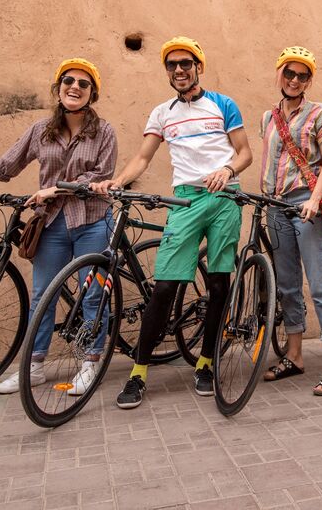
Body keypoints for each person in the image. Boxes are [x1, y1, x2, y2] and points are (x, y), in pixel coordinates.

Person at [91, 37, 252, 408]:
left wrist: (227, 169)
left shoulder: (223, 104)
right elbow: (143, 157)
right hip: (185, 200)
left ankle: (207, 364)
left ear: (199, 67)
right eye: (172, 65)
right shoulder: (162, 113)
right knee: (164, 286)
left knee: (217, 283)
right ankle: (138, 372)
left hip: (225, 198)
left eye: (186, 63)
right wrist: (118, 181)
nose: (179, 70)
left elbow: (244, 153)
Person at [0, 58, 117, 395]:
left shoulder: (104, 132)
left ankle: (90, 363)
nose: (74, 87)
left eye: (83, 84)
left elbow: (100, 177)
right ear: (58, 88)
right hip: (52, 224)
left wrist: (55, 188)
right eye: (68, 81)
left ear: (93, 94)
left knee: (92, 296)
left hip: (92, 220)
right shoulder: (40, 131)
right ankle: (32, 366)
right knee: (42, 295)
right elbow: (11, 160)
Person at [259, 46, 322, 396]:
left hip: (305, 205)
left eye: (302, 75)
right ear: (279, 73)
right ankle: (294, 356)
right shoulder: (268, 117)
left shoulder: (318, 113)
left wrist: (314, 199)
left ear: (309, 80)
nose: (294, 80)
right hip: (275, 205)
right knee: (288, 285)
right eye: (289, 73)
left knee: (320, 283)